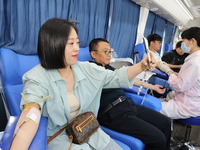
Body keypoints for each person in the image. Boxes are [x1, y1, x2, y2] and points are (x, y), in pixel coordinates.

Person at [9, 18, 156, 150]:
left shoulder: (86, 68)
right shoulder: (37, 77)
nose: (77, 48)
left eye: (77, 42)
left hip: (89, 130)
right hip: (60, 138)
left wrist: (142, 66)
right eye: (71, 43)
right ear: (53, 45)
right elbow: (30, 116)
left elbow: (117, 76)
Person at [89, 38, 171, 150]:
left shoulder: (109, 68)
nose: (109, 55)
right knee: (158, 138)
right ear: (93, 53)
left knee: (165, 122)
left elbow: (128, 78)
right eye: (105, 52)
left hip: (126, 104)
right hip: (111, 113)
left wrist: (153, 87)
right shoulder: (90, 70)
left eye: (110, 51)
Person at [158, 27, 200, 119]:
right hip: (190, 99)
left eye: (183, 41)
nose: (182, 44)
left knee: (153, 107)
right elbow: (189, 78)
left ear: (192, 41)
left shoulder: (195, 62)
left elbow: (180, 86)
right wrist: (173, 72)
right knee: (160, 100)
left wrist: (168, 71)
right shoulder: (194, 59)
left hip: (188, 105)